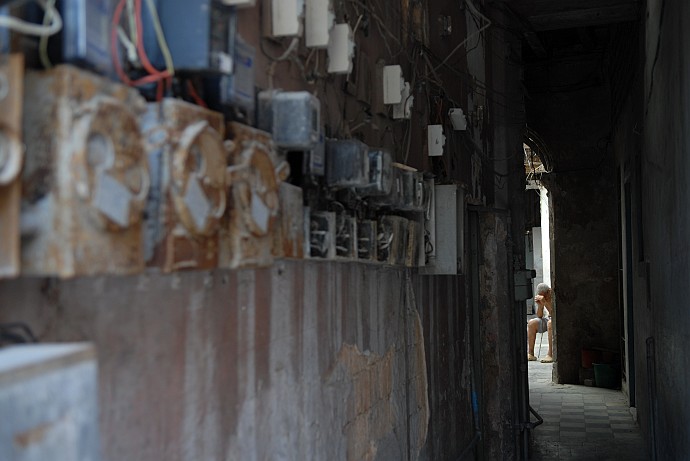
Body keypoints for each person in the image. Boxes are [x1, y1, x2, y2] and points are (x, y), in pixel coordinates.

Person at [527, 283, 554, 363]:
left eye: (545, 296)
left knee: (550, 323)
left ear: (549, 291)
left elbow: (554, 314)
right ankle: (531, 353)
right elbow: (539, 316)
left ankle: (550, 354)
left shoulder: (553, 296)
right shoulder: (543, 299)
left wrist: (545, 302)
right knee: (532, 323)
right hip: (547, 318)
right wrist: (540, 305)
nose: (544, 298)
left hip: (556, 319)